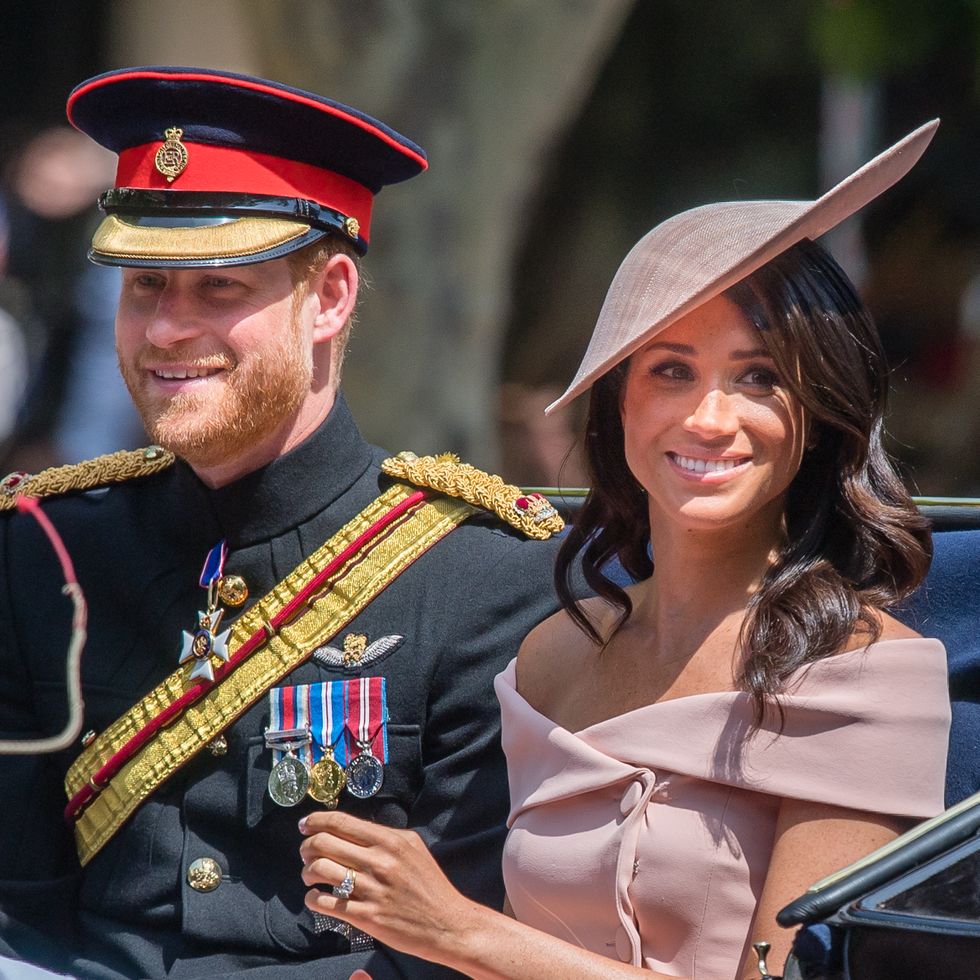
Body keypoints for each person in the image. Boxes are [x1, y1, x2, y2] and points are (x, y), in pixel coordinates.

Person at [297, 122, 952, 978]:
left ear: (819, 413)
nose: (708, 418)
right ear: (619, 407)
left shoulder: (866, 676)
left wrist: (458, 932)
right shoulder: (552, 655)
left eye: (760, 377)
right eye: (670, 370)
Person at [0, 67, 570, 979]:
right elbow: (18, 914)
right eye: (144, 286)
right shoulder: (44, 549)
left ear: (333, 296)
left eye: (218, 290)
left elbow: (451, 950)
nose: (165, 332)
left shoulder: (487, 576)